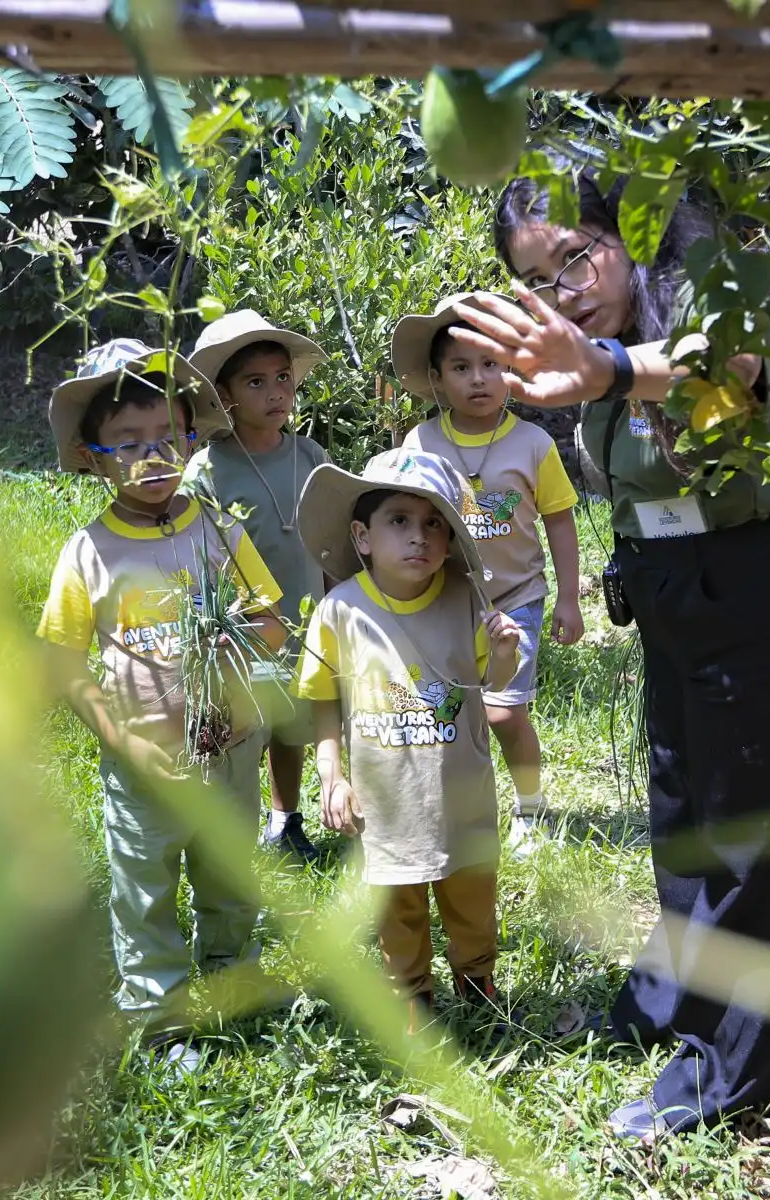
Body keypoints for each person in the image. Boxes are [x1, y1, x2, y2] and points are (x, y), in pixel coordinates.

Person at [449, 172, 770, 1140]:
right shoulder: (606, 356)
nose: (565, 291)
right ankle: (675, 999)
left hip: (766, 574)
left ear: (631, 234)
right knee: (684, 803)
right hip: (673, 589)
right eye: (539, 279)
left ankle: (728, 1071)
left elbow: (733, 368)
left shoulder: (707, 295)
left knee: (752, 827)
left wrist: (608, 368)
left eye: (576, 258)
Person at [36, 338, 287, 1073]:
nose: (152, 457)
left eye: (166, 438)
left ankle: (231, 977)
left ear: (191, 438)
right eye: (128, 443)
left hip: (230, 747)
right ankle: (161, 1019)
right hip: (142, 761)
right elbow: (63, 664)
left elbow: (273, 622)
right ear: (91, 457)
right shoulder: (88, 553)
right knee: (144, 890)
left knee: (230, 875)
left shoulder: (219, 528)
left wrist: (239, 642)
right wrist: (124, 742)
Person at [291, 448, 522, 1027]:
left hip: (460, 792)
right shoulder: (340, 610)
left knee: (471, 896)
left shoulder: (465, 597)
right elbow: (324, 699)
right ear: (362, 536)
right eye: (399, 520)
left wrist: (504, 653)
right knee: (397, 905)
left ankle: (476, 978)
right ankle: (412, 993)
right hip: (385, 800)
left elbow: (492, 682)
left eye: (434, 524)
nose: (419, 536)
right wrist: (331, 776)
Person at [393, 294, 584, 855]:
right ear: (436, 378)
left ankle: (531, 808)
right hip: (444, 599)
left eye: (491, 364)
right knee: (444, 710)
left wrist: (569, 599)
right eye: (461, 367)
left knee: (503, 713)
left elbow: (560, 521)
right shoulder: (420, 443)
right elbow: (402, 518)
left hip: (516, 597)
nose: (478, 379)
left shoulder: (534, 443)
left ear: (512, 369)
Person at [185, 309, 333, 864]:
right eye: (255, 382)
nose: (275, 393)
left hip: (307, 619)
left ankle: (285, 820)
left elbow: (331, 539)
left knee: (294, 722)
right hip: (243, 630)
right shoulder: (207, 470)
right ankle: (231, 831)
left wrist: (341, 604)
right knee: (247, 727)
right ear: (223, 395)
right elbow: (193, 554)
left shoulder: (310, 456)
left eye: (283, 378)